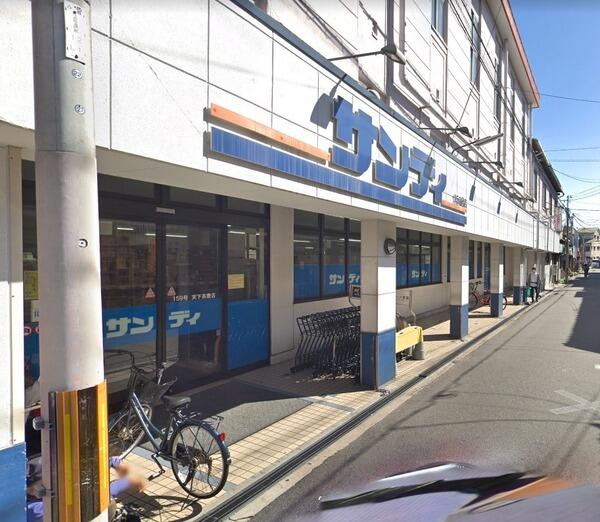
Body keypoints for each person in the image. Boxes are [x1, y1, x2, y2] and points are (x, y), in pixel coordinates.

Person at [26, 455, 146, 521]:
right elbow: (91, 499)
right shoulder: (36, 511)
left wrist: (116, 463)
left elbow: (94, 462)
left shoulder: (36, 471)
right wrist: (127, 482)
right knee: (104, 504)